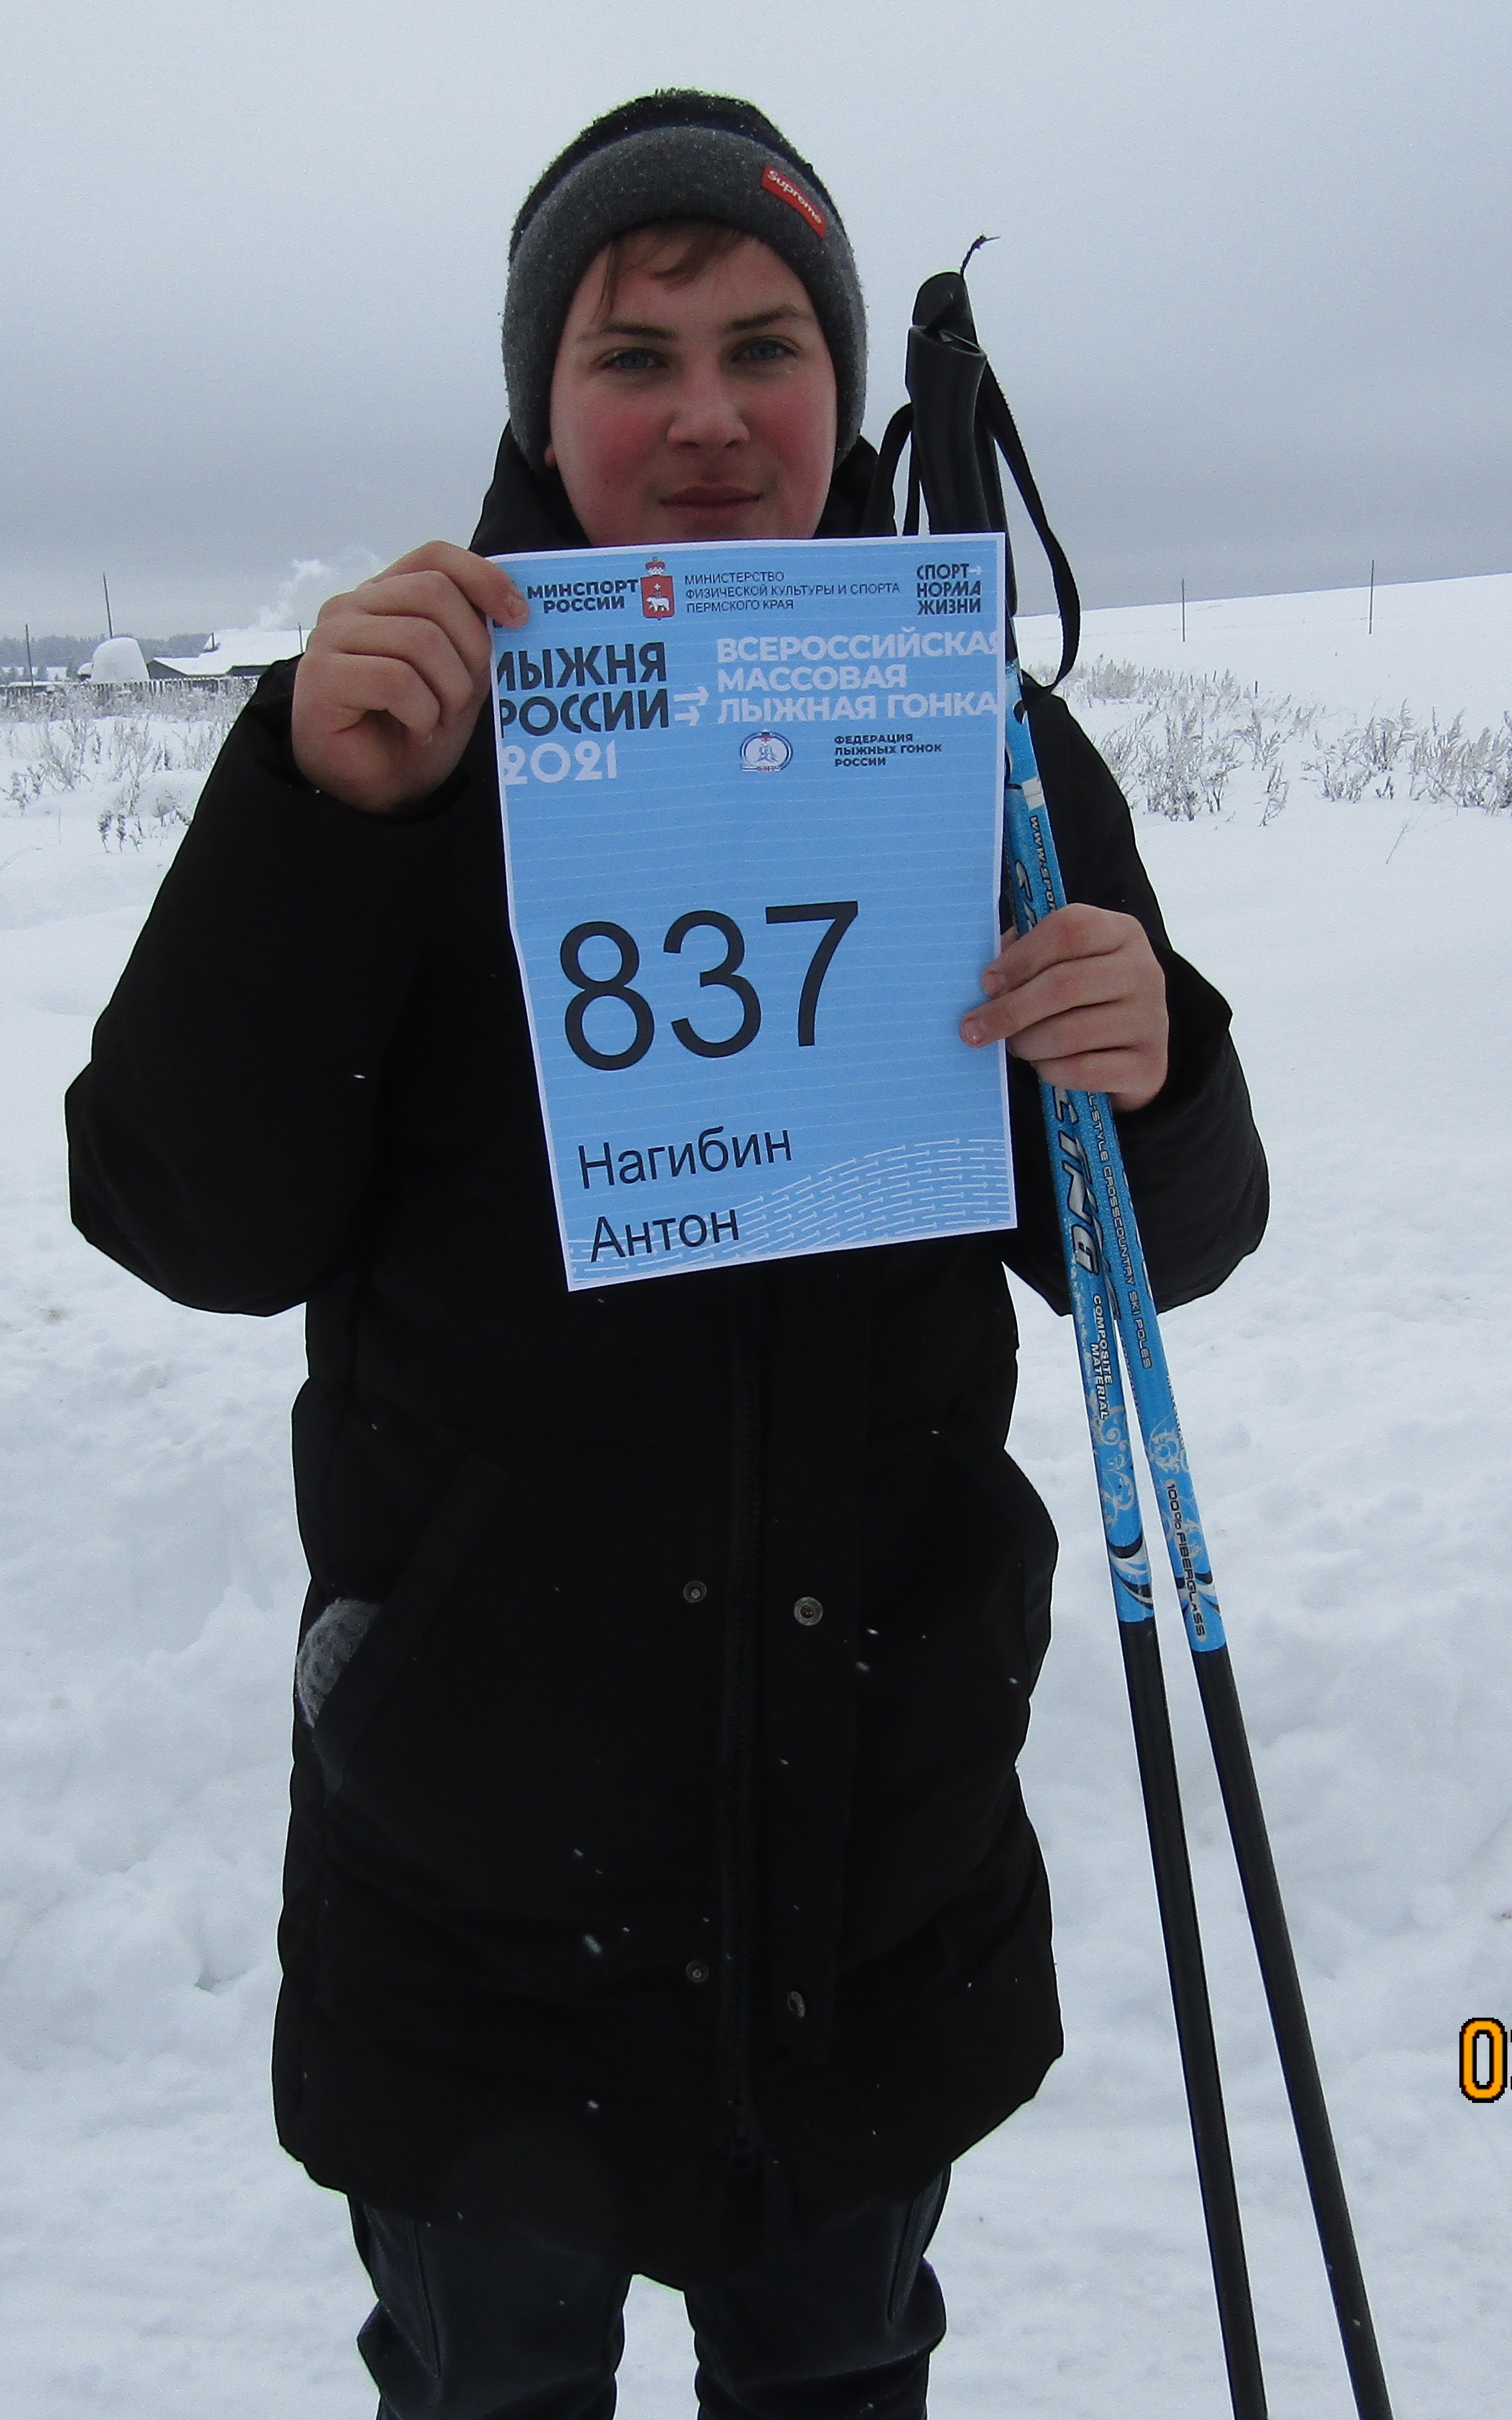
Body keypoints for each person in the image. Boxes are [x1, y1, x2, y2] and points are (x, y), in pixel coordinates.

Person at [66, 89, 1268, 2420]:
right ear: (543, 406)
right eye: (635, 355)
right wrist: (318, 815)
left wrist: (1152, 1067)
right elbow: (184, 1217)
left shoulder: (974, 739)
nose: (708, 412)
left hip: (872, 1874)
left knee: (841, 2371)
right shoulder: (393, 740)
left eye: (763, 347)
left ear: (843, 391)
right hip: (475, 1889)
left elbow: (1172, 1247)